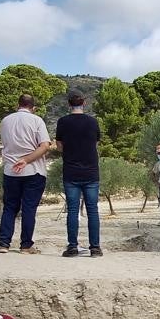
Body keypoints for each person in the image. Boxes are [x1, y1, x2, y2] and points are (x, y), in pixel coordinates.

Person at [0, 94, 51, 254]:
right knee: (29, 208)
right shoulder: (36, 121)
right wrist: (26, 160)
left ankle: (4, 244)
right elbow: (44, 146)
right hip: (33, 170)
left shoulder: (5, 121)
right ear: (33, 107)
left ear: (17, 105)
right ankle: (26, 245)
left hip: (10, 170)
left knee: (9, 208)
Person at [55, 92, 103, 257]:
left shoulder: (62, 122)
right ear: (84, 103)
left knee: (73, 211)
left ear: (69, 104)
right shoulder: (92, 122)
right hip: (91, 172)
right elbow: (95, 143)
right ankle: (95, 247)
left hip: (71, 171)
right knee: (92, 210)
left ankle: (72, 246)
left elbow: (59, 146)